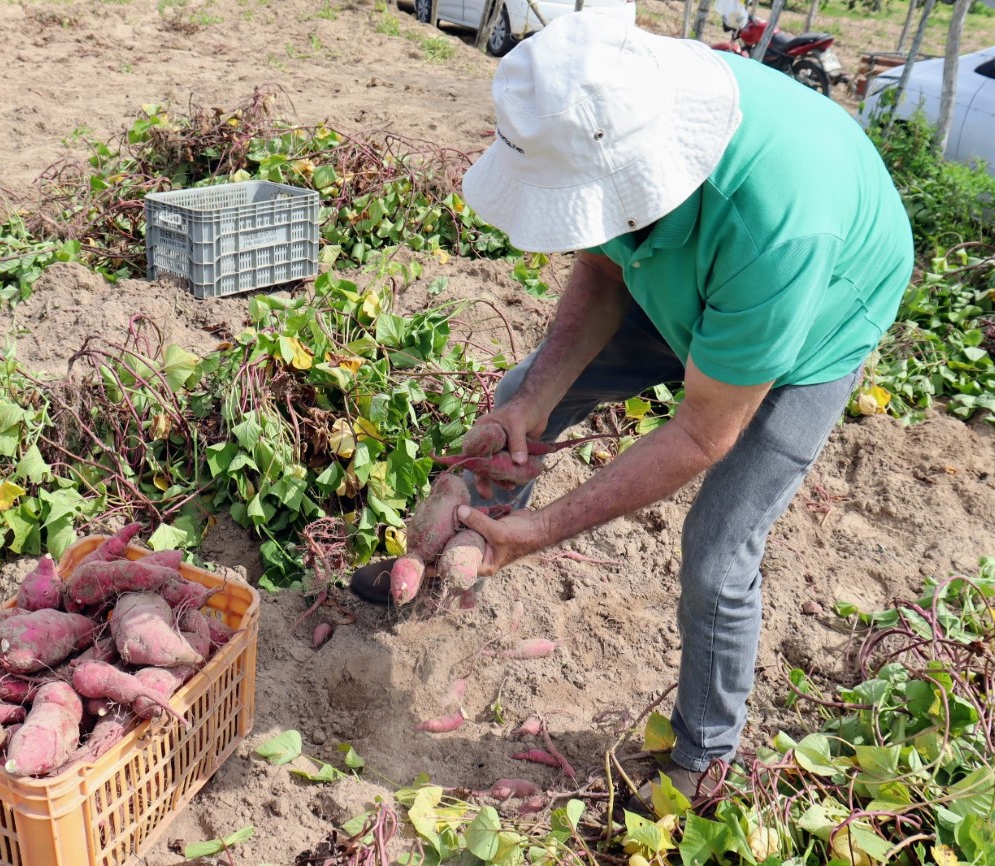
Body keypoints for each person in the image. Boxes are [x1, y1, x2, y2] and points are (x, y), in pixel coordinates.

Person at [353, 12, 914, 799]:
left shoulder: (778, 228)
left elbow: (700, 433)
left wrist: (542, 531)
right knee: (519, 396)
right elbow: (609, 262)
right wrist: (536, 398)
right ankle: (446, 558)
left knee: (719, 553)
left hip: (814, 311)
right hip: (700, 264)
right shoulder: (616, 108)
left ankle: (705, 759)